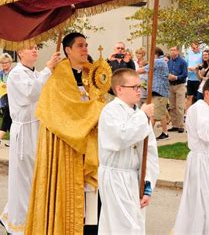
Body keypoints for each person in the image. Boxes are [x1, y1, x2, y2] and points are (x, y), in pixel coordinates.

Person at [25, 32, 105, 235]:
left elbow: (99, 100)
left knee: (93, 203)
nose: (85, 49)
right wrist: (95, 110)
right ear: (68, 50)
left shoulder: (91, 74)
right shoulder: (58, 77)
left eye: (86, 45)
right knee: (69, 196)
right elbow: (64, 114)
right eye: (80, 45)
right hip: (66, 147)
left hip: (91, 144)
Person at [0, 46, 60, 234]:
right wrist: (49, 69)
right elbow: (31, 93)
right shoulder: (17, 74)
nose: (34, 51)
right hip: (24, 130)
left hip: (37, 127)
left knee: (33, 177)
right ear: (20, 53)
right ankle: (18, 224)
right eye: (29, 48)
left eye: (36, 48)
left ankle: (14, 215)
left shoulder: (34, 73)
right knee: (24, 179)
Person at [98, 68, 159, 234]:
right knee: (123, 227)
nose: (140, 91)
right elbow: (120, 138)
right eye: (135, 87)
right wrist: (143, 117)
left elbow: (150, 151)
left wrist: (147, 184)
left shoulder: (139, 113)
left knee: (136, 224)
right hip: (115, 176)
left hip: (133, 177)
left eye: (141, 86)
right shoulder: (110, 111)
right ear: (119, 89)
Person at [173, 77, 209, 235]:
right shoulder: (198, 108)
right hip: (201, 162)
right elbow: (206, 134)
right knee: (200, 208)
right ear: (207, 93)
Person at [138, 47, 170, 141]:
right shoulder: (161, 61)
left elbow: (143, 70)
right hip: (159, 92)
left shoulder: (158, 61)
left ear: (155, 53)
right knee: (161, 114)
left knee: (153, 115)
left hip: (159, 92)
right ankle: (165, 133)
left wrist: (129, 73)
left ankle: (148, 136)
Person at [0, 53, 14, 147]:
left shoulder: (14, 72)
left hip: (13, 100)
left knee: (6, 118)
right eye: (2, 63)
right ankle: (13, 140)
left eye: (6, 63)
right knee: (9, 120)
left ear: (10, 62)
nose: (4, 65)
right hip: (3, 100)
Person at [167, 46, 188, 133]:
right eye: (171, 50)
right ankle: (174, 125)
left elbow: (185, 74)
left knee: (179, 106)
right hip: (171, 85)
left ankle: (181, 125)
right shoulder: (169, 62)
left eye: (174, 50)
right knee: (172, 106)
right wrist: (169, 76)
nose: (172, 52)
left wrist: (176, 77)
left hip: (180, 85)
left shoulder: (182, 62)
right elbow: (166, 71)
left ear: (178, 51)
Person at [185, 42, 203, 108]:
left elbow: (203, 64)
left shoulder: (202, 54)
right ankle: (186, 114)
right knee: (189, 97)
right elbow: (185, 64)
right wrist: (188, 68)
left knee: (198, 98)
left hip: (199, 78)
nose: (195, 49)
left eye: (196, 47)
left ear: (199, 46)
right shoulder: (189, 54)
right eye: (193, 48)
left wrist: (196, 67)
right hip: (190, 78)